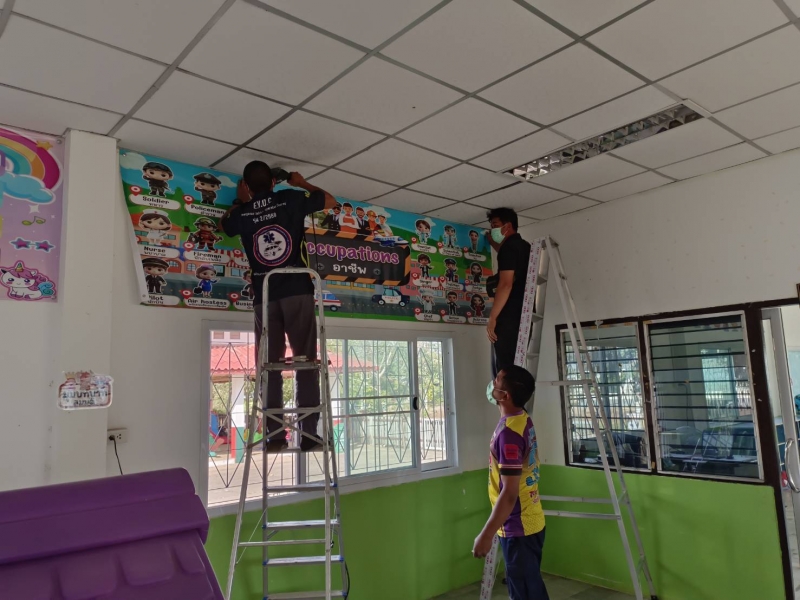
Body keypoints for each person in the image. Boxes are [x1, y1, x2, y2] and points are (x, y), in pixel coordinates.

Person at [221, 161, 336, 452]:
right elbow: (330, 201)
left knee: (268, 365)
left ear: (247, 187)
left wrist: (241, 202)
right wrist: (301, 182)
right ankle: (308, 435)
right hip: (297, 290)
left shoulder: (243, 212)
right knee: (305, 362)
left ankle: (274, 437)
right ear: (274, 182)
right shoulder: (289, 199)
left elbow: (225, 225)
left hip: (265, 295)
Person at [473, 365, 547, 600]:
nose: (492, 384)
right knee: (530, 588)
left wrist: (486, 534)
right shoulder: (521, 419)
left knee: (525, 593)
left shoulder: (509, 436)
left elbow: (509, 493)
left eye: (496, 381)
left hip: (519, 526)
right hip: (529, 519)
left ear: (504, 396)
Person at [486, 207, 531, 378]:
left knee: (505, 368)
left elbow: (505, 285)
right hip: (524, 314)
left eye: (495, 225)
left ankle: (507, 393)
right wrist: (493, 243)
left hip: (509, 315)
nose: (493, 230)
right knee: (514, 365)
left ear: (507, 226)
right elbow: (509, 258)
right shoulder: (524, 246)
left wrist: (493, 318)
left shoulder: (508, 249)